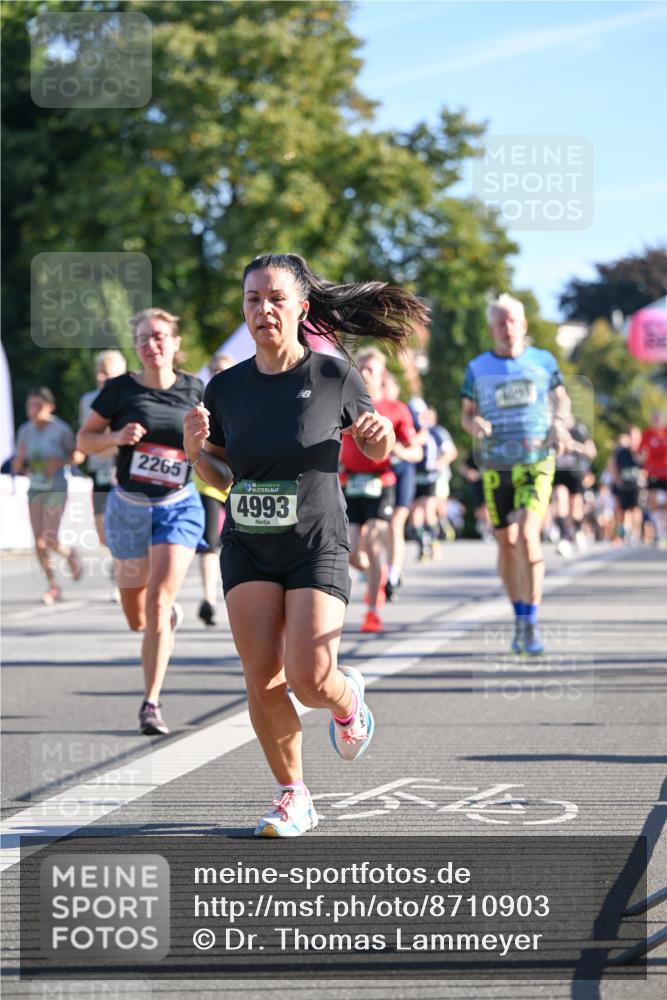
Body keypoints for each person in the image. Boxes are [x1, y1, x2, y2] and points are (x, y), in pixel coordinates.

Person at [183, 252, 427, 836]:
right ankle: (294, 795)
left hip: (316, 540)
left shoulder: (332, 374)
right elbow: (220, 477)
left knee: (311, 677)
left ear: (301, 308)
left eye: (274, 298)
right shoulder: (224, 388)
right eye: (251, 300)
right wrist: (196, 455)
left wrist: (379, 434)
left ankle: (348, 703)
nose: (262, 310)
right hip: (247, 543)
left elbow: (376, 450)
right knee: (262, 675)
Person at [77, 309, 205, 736]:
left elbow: (217, 444)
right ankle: (159, 624)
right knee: (137, 616)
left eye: (161, 337)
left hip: (178, 505)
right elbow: (85, 440)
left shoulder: (195, 390)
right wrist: (114, 437)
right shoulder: (119, 391)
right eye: (146, 338)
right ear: (137, 347)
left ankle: (151, 703)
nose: (154, 345)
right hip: (129, 507)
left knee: (158, 603)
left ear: (175, 342)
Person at [461, 293, 570, 656]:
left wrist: (558, 422)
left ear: (523, 325)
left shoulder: (543, 361)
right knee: (507, 545)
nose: (507, 328)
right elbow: (466, 413)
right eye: (500, 322)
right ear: (492, 328)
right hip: (495, 465)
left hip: (536, 459)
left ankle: (531, 622)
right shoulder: (477, 367)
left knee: (526, 536)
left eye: (512, 321)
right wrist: (473, 423)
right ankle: (519, 614)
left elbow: (562, 399)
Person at [340, 347, 422, 631]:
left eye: (370, 370)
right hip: (351, 483)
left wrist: (396, 448)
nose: (363, 373)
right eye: (360, 368)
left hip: (382, 483)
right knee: (351, 551)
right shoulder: (343, 404)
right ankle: (380, 574)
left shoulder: (395, 409)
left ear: (381, 375)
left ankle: (373, 611)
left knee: (374, 542)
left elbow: (416, 452)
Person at [13, 387, 82, 604]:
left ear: (50, 407)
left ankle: (69, 554)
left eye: (38, 406)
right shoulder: (24, 430)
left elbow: (77, 456)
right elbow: (18, 467)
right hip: (35, 488)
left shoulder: (60, 429)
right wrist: (21, 460)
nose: (33, 410)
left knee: (50, 538)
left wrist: (58, 462)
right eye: (30, 405)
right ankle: (53, 585)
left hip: (57, 487)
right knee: (38, 541)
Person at [77, 350, 128, 598]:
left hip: (123, 468)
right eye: (99, 371)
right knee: (102, 532)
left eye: (107, 372)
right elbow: (84, 436)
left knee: (123, 526)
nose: (101, 376)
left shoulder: (130, 398)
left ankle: (123, 576)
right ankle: (122, 561)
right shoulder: (87, 400)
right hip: (99, 470)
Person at [193, 352, 235, 626]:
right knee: (209, 542)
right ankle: (209, 599)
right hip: (208, 481)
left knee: (237, 541)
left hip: (240, 482)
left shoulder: (248, 398)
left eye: (225, 370)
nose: (220, 375)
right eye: (215, 370)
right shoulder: (201, 405)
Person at [381, 371, 419, 601]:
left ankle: (393, 576)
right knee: (380, 528)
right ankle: (386, 566)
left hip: (402, 472)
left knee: (395, 524)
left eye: (388, 385)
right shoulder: (365, 405)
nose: (384, 389)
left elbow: (418, 449)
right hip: (380, 474)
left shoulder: (401, 409)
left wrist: (400, 451)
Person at [410, 405, 458, 560]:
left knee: (429, 510)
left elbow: (450, 452)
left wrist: (440, 463)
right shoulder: (412, 431)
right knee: (416, 513)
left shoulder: (437, 432)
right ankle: (422, 545)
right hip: (414, 477)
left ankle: (434, 542)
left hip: (431, 476)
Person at [551, 409, 597, 557]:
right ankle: (565, 538)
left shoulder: (580, 431)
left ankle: (577, 531)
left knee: (575, 508)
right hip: (559, 474)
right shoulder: (552, 431)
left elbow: (592, 452)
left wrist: (575, 446)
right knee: (560, 500)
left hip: (576, 476)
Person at [611, 428, 644, 545]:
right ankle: (623, 533)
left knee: (636, 509)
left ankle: (635, 534)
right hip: (624, 485)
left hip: (637, 486)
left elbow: (647, 465)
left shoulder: (642, 451)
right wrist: (617, 480)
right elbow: (614, 466)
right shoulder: (621, 452)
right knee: (622, 511)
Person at [639, 409, 667, 546]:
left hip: (666, 472)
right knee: (653, 501)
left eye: (658, 418)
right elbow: (641, 453)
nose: (656, 421)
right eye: (654, 418)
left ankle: (664, 528)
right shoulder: (647, 434)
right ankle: (657, 530)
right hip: (653, 473)